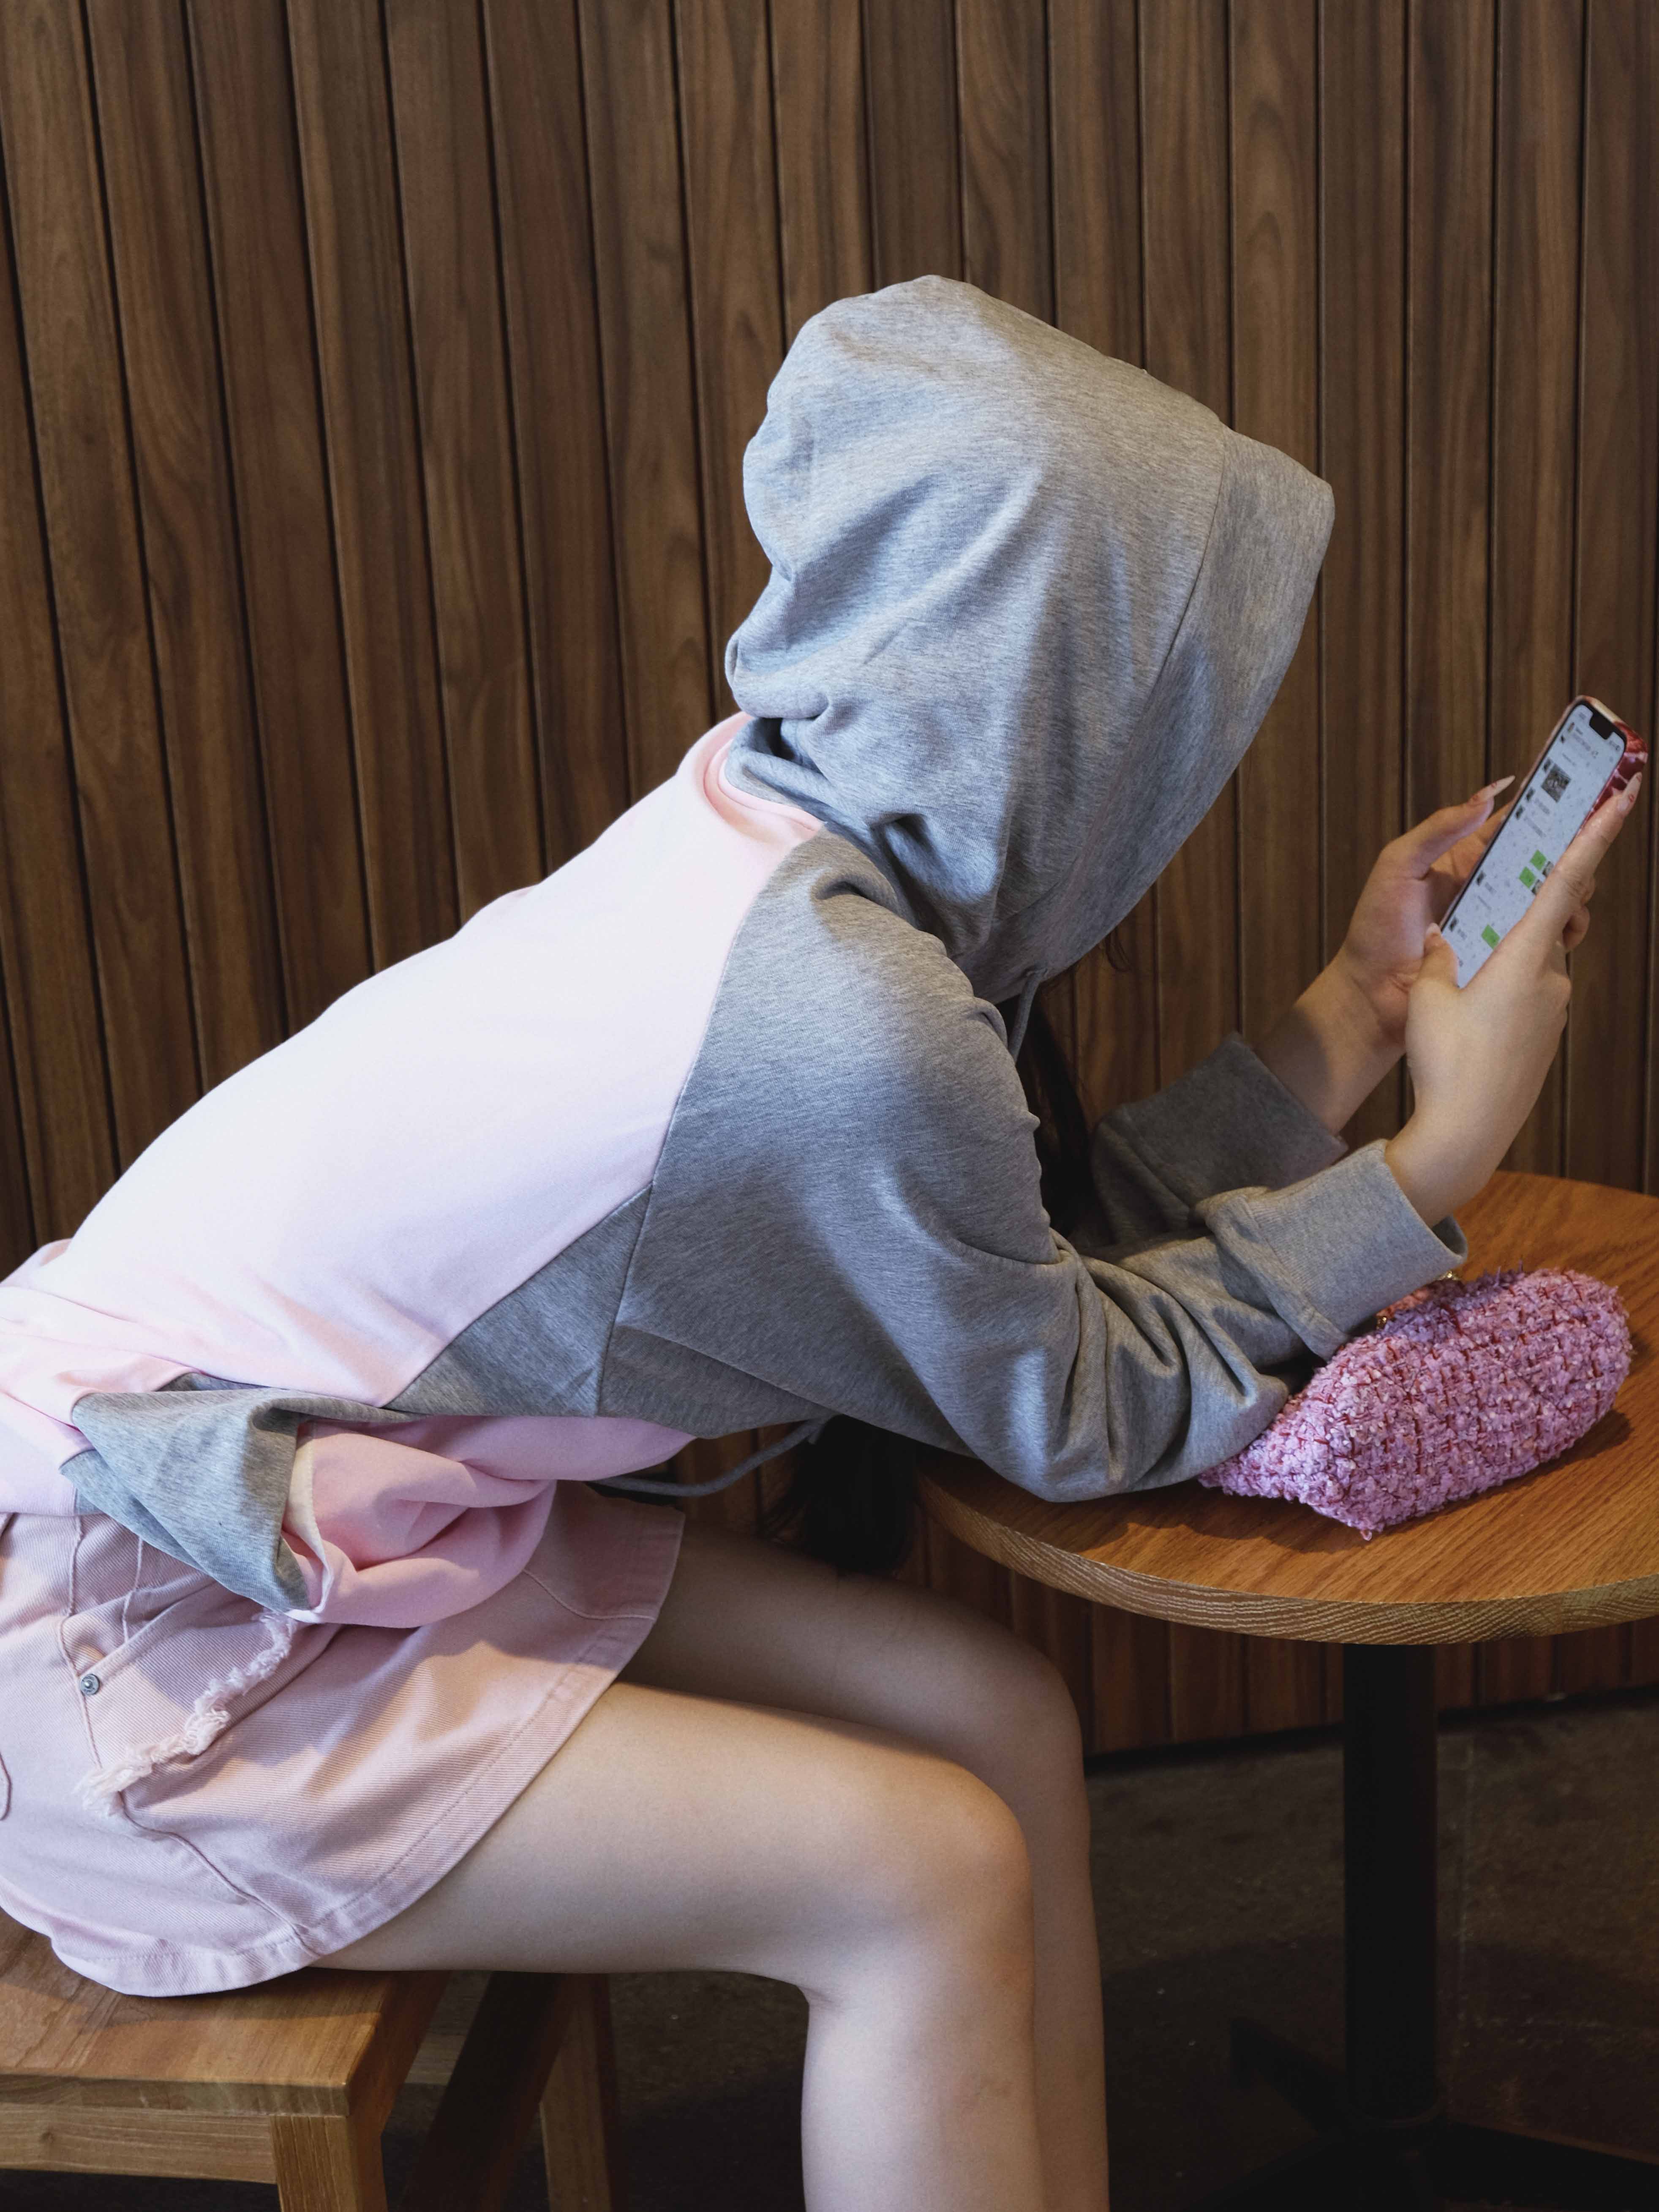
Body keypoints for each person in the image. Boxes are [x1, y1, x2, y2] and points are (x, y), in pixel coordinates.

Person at [0, 278, 1635, 2212]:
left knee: (998, 1718)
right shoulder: (839, 1020)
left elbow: (988, 1274)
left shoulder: (774, 824)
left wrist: (1352, 1015)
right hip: (149, 1641)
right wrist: (1436, 1155)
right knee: (921, 1871)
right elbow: (1074, 1406)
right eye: (1168, 696)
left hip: (312, 1534)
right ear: (1045, 693)